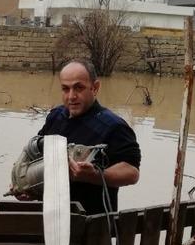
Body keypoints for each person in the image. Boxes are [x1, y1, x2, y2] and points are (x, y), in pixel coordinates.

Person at [37, 59, 141, 214]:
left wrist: (95, 176)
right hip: (50, 217)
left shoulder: (114, 126)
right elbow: (38, 154)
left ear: (95, 87)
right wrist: (29, 186)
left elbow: (132, 173)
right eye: (65, 89)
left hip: (92, 225)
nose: (71, 96)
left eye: (79, 88)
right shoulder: (56, 116)